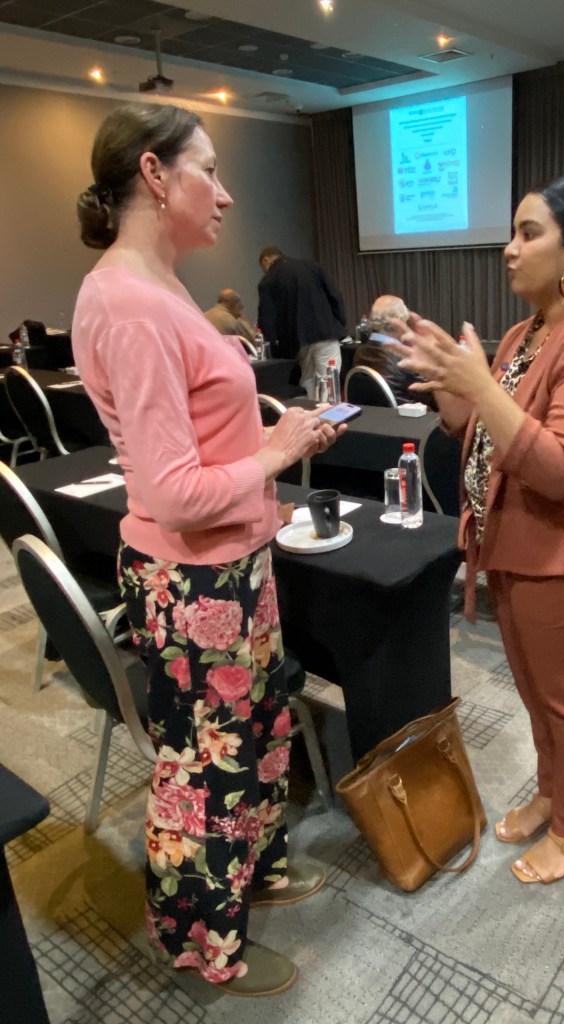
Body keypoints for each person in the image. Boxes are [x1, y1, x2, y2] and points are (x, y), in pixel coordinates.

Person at [73, 103, 342, 996]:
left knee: (256, 739)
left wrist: (275, 435)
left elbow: (196, 438)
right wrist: (274, 453)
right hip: (195, 578)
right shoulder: (131, 305)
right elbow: (172, 490)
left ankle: (253, 874)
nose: (225, 195)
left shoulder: (159, 286)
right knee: (205, 770)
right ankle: (201, 943)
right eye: (210, 171)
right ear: (155, 175)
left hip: (228, 563)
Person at [396, 176, 564, 885]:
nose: (509, 249)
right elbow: (483, 432)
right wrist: (455, 387)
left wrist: (481, 385)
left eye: (528, 233)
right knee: (539, 692)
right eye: (511, 232)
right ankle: (551, 792)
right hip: (515, 540)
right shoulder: (526, 331)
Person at [257, 246, 347, 399]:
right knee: (330, 381)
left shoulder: (268, 281)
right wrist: (339, 323)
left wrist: (275, 348)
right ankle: (331, 411)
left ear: (267, 260)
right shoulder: (311, 266)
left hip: (299, 340)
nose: (264, 271)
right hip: (325, 332)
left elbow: (267, 319)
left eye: (262, 267)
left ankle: (311, 411)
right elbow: (335, 295)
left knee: (308, 379)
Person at [353, 294, 433, 406]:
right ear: (399, 322)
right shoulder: (404, 359)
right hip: (405, 414)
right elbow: (432, 396)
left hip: (371, 414)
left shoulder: (360, 352)